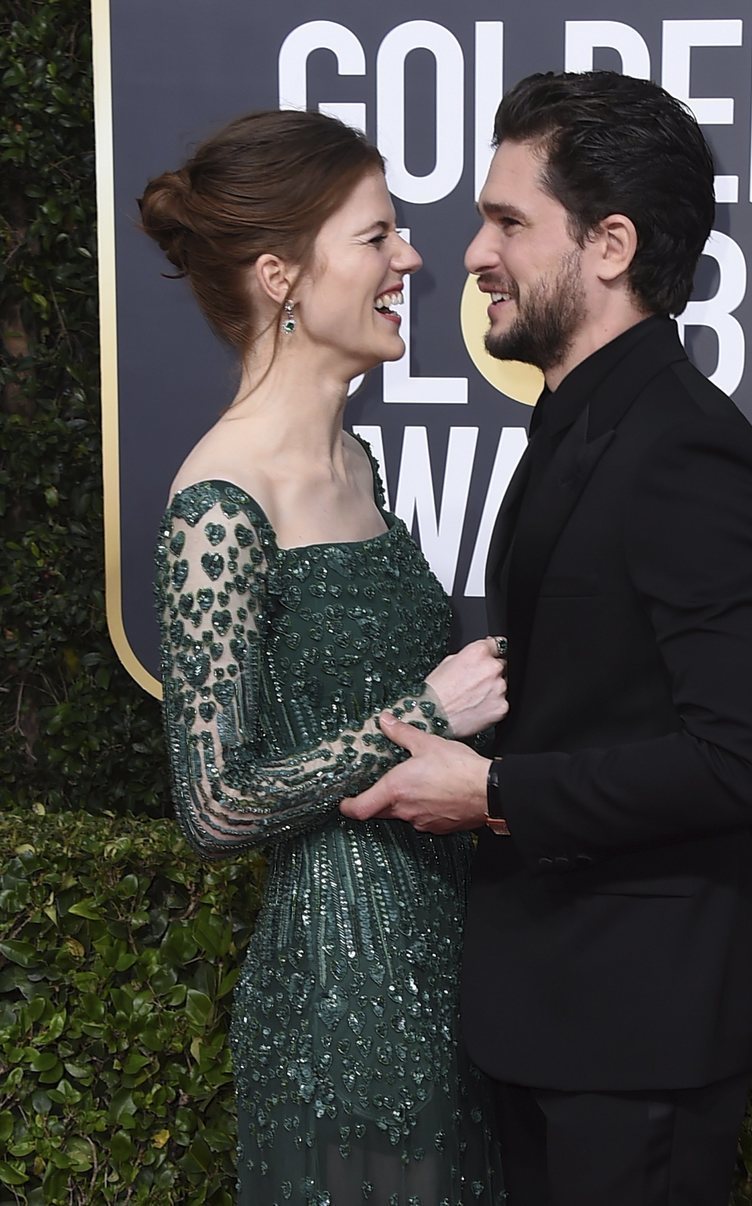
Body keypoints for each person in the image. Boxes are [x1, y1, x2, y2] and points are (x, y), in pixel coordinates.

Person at [341, 71, 752, 1205]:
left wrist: (493, 793)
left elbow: (744, 761)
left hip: (634, 1038)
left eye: (507, 222)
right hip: (556, 1017)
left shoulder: (686, 454)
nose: (471, 254)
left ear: (607, 244)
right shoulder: (586, 424)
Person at [141, 109, 507, 1206]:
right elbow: (215, 806)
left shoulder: (354, 458)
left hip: (454, 955)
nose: (411, 258)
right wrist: (422, 717)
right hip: (345, 990)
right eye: (376, 235)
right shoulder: (220, 502)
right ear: (280, 275)